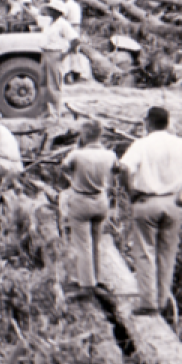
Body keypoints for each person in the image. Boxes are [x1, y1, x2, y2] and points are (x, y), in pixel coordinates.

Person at [119, 107, 182, 317]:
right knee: (167, 253)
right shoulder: (181, 144)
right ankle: (162, 300)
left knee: (145, 251)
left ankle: (148, 302)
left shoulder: (141, 144)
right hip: (173, 202)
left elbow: (124, 168)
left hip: (147, 200)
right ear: (167, 122)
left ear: (148, 122)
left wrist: (130, 192)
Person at [60, 121, 117, 300]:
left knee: (83, 245)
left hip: (81, 199)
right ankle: (98, 278)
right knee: (96, 242)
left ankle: (86, 285)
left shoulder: (77, 154)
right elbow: (117, 170)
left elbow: (63, 167)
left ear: (84, 135)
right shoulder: (110, 154)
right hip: (100, 199)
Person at [40, 0, 79, 120]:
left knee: (54, 84)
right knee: (43, 82)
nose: (49, 11)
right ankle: (47, 110)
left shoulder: (63, 24)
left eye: (52, 9)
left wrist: (65, 53)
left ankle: (56, 112)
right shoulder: (50, 23)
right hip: (45, 52)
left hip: (55, 53)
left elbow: (75, 40)